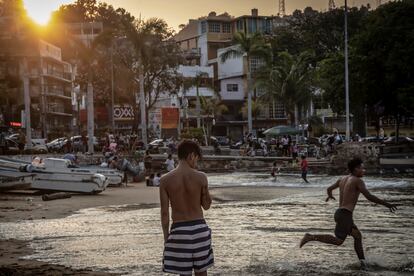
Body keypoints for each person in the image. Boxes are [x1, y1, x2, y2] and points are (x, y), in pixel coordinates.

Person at [299, 157, 397, 269]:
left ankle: (363, 263)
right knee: (339, 240)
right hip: (345, 215)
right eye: (362, 168)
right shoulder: (357, 181)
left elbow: (329, 189)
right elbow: (369, 196)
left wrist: (330, 195)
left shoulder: (342, 179)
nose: (364, 171)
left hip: (341, 214)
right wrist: (387, 204)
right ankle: (310, 237)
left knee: (356, 236)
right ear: (356, 169)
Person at [160, 140, 214, 275]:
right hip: (200, 229)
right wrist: (206, 191)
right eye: (196, 158)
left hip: (179, 231)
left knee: (184, 274)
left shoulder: (165, 180)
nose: (196, 162)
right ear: (191, 155)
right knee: (202, 273)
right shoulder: (201, 177)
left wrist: (167, 238)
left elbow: (165, 214)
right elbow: (206, 206)